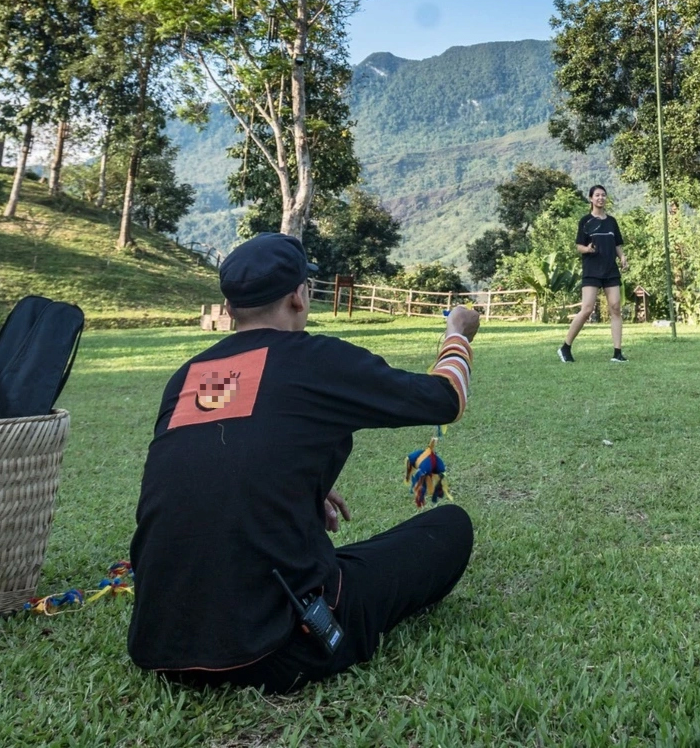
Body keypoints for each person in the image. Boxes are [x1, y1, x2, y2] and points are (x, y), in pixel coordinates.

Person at [126, 232, 480, 691]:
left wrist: (298, 485)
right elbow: (445, 399)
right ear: (299, 296)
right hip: (273, 648)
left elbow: (221, 457)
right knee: (449, 527)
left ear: (230, 309)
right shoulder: (318, 360)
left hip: (158, 645)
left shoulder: (190, 377)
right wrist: (458, 332)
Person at [559, 184, 628, 363]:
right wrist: (588, 249)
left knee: (615, 308)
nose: (600, 198)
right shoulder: (585, 221)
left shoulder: (612, 221)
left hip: (610, 270)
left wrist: (622, 258)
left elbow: (617, 244)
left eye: (603, 195)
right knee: (587, 309)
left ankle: (617, 353)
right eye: (597, 195)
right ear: (591, 199)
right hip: (592, 270)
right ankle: (565, 347)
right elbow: (579, 247)